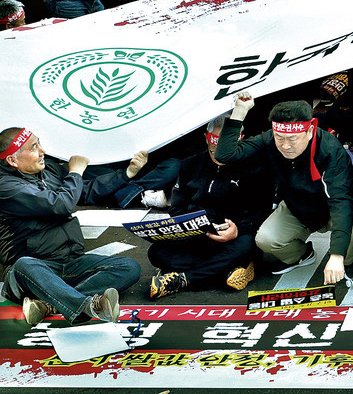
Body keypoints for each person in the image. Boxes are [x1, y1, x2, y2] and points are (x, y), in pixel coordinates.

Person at [0, 127, 146, 326]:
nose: (42, 151)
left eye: (39, 143)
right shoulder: (5, 187)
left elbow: (86, 191)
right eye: (34, 148)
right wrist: (75, 171)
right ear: (13, 160)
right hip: (32, 270)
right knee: (25, 264)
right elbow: (61, 204)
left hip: (69, 263)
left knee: (129, 267)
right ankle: (88, 306)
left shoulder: (49, 169)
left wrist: (127, 173)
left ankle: (50, 303)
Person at [214, 92, 353, 284]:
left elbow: (341, 203)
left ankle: (349, 260)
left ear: (309, 131)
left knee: (352, 232)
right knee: (266, 239)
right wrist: (239, 112)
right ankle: (302, 254)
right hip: (299, 204)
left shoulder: (329, 149)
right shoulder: (270, 139)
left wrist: (336, 256)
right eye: (280, 137)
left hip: (339, 204)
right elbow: (225, 155)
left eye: (293, 139)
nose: (285, 146)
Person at [146, 114, 272, 298]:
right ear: (206, 138)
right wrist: (189, 225)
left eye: (225, 145)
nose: (219, 151)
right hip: (198, 236)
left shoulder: (255, 167)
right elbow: (176, 207)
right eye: (214, 144)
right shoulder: (190, 164)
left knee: (245, 246)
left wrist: (238, 229)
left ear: (239, 140)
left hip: (234, 237)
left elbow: (262, 212)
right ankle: (225, 272)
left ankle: (184, 279)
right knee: (156, 252)